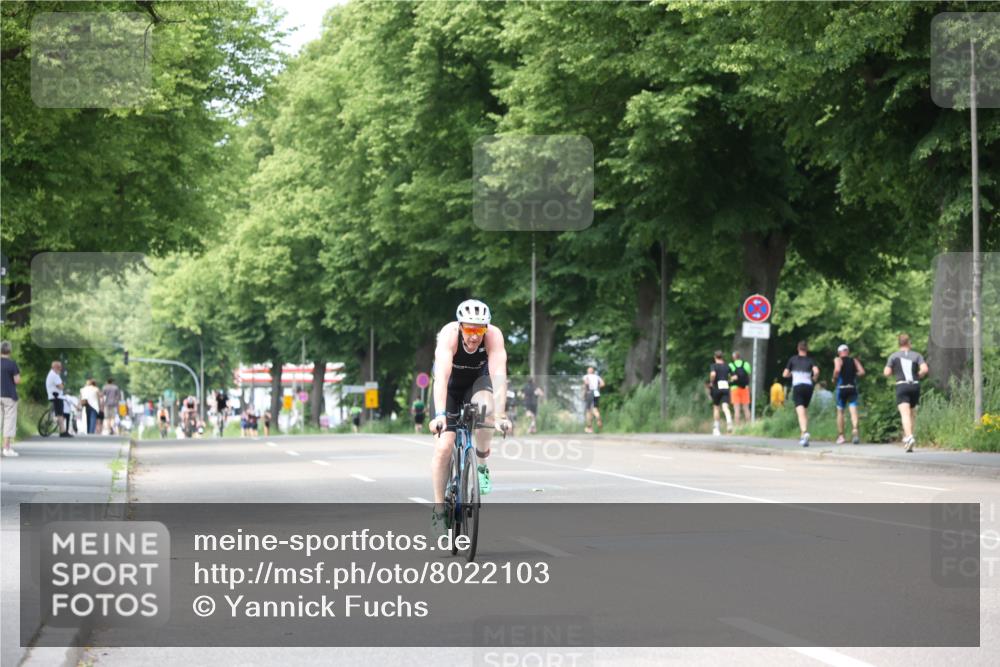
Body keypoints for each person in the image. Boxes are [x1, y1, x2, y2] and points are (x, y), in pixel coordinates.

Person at [427, 299, 511, 535]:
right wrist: (440, 415)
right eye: (470, 329)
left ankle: (481, 465)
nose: (475, 336)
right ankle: (439, 509)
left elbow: (498, 376)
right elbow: (441, 378)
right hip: (450, 389)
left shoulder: (493, 336)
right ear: (461, 326)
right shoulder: (449, 335)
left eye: (479, 329)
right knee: (444, 447)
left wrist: (502, 414)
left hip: (477, 384)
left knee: (487, 409)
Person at [883, 333, 929, 452]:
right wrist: (918, 375)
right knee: (912, 413)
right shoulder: (917, 355)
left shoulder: (893, 356)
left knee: (904, 414)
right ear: (909, 343)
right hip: (915, 385)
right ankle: (909, 439)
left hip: (902, 385)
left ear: (899, 344)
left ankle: (909, 437)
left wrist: (894, 371)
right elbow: (925, 369)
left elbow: (886, 372)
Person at [783, 341, 820, 447]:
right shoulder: (810, 360)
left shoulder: (793, 359)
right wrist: (814, 378)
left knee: (800, 412)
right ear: (806, 349)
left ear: (798, 349)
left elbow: (785, 374)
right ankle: (803, 437)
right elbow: (816, 371)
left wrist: (791, 374)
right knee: (805, 411)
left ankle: (804, 432)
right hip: (809, 387)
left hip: (798, 387)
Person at [833, 344, 866, 444]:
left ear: (839, 352)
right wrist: (854, 374)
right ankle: (855, 431)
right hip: (852, 387)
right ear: (848, 351)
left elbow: (837, 370)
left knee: (840, 412)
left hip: (842, 388)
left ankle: (841, 436)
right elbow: (862, 372)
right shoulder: (854, 360)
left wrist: (834, 378)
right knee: (853, 411)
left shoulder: (838, 360)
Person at [1, 341, 22, 457]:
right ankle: (6, 448)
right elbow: (17, 380)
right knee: (9, 421)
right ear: (9, 351)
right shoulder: (12, 364)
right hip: (9, 396)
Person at [708, 350, 734, 436]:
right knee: (725, 407)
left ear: (715, 357)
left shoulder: (714, 366)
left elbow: (713, 374)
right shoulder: (727, 366)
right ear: (722, 357)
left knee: (716, 407)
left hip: (717, 387)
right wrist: (729, 381)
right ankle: (729, 421)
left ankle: (716, 429)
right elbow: (734, 377)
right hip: (726, 387)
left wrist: (711, 382)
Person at [46, 361, 72, 438]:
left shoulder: (51, 374)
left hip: (53, 396)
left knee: (59, 414)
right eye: (59, 367)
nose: (60, 369)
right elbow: (61, 386)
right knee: (60, 414)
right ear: (56, 367)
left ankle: (62, 429)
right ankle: (63, 431)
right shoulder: (55, 375)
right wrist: (62, 385)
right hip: (56, 396)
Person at [728, 351, 752, 427]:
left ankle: (737, 428)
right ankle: (749, 426)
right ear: (740, 357)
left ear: (733, 357)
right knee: (746, 408)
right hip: (745, 388)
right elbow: (748, 373)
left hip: (734, 388)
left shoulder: (731, 365)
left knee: (736, 409)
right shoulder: (746, 364)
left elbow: (729, 376)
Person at [582, 366, 605, 433]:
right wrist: (597, 387)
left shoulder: (586, 376)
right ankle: (598, 417)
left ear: (588, 371)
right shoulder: (597, 377)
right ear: (593, 371)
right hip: (596, 392)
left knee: (588, 411)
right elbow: (603, 384)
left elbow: (586, 384)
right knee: (595, 409)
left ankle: (589, 428)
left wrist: (583, 394)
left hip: (590, 393)